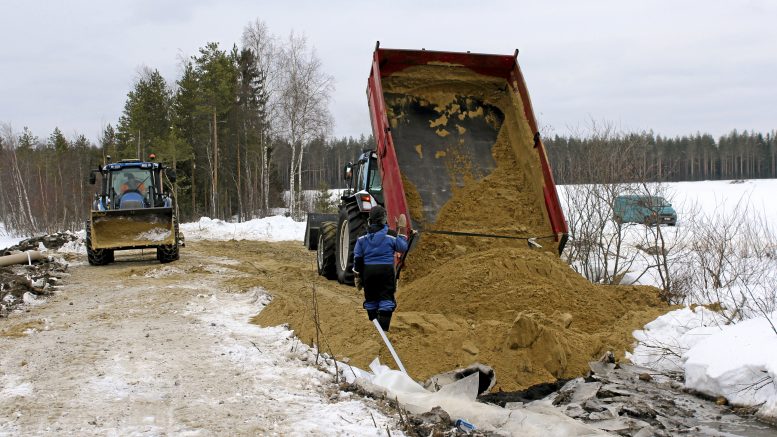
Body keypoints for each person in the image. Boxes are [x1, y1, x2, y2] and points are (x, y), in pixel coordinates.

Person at [353, 205, 409, 332]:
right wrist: (401, 232)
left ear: (370, 219)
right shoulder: (391, 235)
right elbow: (402, 247)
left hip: (368, 272)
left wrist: (358, 275)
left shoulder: (362, 237)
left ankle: (375, 325)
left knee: (371, 298)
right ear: (384, 219)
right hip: (386, 271)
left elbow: (358, 257)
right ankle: (383, 329)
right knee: (386, 298)